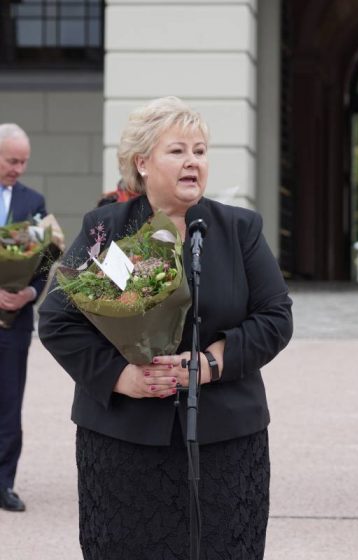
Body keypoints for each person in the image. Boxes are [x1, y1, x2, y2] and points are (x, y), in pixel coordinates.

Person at [38, 96, 293, 559]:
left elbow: (276, 317)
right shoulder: (105, 230)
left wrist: (212, 362)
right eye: (178, 150)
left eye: (200, 150)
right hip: (124, 443)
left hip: (225, 441)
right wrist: (121, 377)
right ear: (143, 162)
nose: (192, 161)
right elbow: (57, 319)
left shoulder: (239, 229)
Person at [0, 123, 47, 512]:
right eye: (11, 160)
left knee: (10, 405)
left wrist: (29, 293)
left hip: (15, 323)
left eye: (23, 162)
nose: (18, 168)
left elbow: (46, 259)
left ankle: (4, 483)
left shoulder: (34, 202)